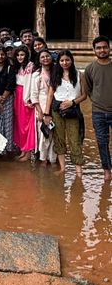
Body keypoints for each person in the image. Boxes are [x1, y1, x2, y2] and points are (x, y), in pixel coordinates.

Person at [44, 50, 87, 177]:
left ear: (71, 60)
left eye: (67, 60)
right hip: (57, 110)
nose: (64, 63)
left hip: (73, 111)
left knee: (75, 140)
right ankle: (63, 168)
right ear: (59, 62)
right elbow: (50, 95)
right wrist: (47, 114)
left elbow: (84, 95)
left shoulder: (79, 75)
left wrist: (72, 102)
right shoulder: (55, 75)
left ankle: (78, 172)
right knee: (59, 139)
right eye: (62, 60)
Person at [84, 36, 112, 181]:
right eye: (99, 48)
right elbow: (88, 89)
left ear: (109, 48)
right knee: (102, 142)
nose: (102, 50)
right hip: (98, 112)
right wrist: (96, 101)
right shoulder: (90, 69)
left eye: (104, 47)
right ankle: (107, 170)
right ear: (94, 50)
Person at [30, 49, 57, 166]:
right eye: (42, 57)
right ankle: (43, 158)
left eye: (47, 56)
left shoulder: (57, 73)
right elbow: (33, 95)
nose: (45, 58)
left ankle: (53, 159)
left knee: (55, 134)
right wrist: (40, 112)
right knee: (43, 134)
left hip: (56, 106)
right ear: (39, 60)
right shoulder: (36, 75)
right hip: (41, 105)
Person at [12, 45, 36, 162]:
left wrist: (28, 99)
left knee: (27, 125)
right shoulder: (17, 67)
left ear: (26, 55)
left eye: (22, 55)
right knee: (19, 124)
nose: (20, 57)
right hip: (17, 95)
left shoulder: (30, 66)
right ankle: (22, 150)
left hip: (26, 96)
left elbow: (30, 83)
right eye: (18, 55)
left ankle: (28, 152)